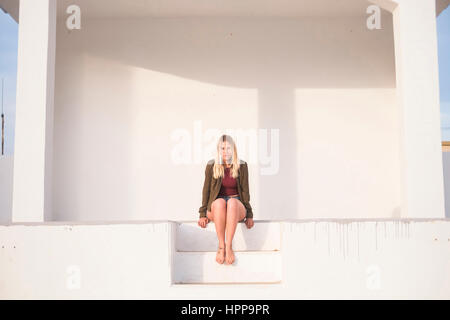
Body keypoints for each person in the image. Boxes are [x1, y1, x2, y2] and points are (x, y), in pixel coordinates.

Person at [198, 134, 254, 265]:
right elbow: (205, 190)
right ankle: (221, 246)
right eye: (222, 148)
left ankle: (229, 247)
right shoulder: (212, 166)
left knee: (232, 202)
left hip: (236, 205)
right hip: (218, 208)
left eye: (228, 148)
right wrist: (202, 214)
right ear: (218, 150)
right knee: (219, 202)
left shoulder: (242, 166)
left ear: (233, 149)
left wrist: (249, 214)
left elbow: (246, 191)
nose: (225, 151)